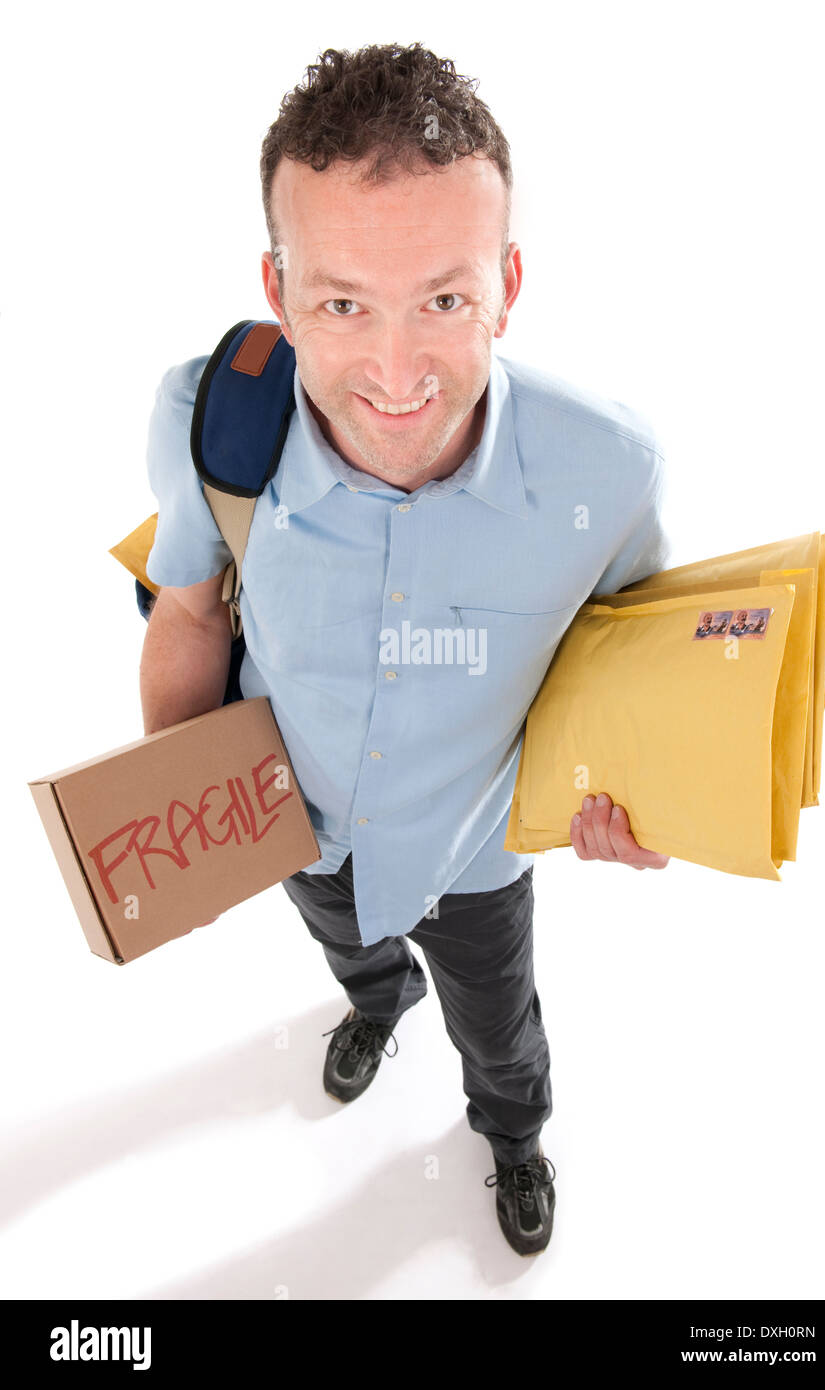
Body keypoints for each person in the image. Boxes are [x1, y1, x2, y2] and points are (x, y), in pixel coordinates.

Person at [139, 42, 671, 1259]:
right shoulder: (206, 418)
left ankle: (512, 1133)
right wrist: (182, 810)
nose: (391, 374)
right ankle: (377, 1006)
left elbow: (635, 684)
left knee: (501, 1024)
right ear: (277, 289)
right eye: (340, 303)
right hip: (297, 829)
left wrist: (642, 803)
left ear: (507, 282)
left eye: (442, 298)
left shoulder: (608, 471)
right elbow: (188, 616)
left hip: (476, 859)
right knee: (353, 954)